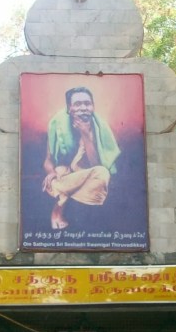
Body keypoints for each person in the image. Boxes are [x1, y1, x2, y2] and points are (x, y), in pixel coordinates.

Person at [42, 87, 121, 230]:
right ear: (69, 108)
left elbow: (97, 165)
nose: (83, 108)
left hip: (87, 174)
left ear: (93, 107)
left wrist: (85, 133)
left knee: (103, 174)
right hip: (66, 174)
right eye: (77, 104)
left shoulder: (99, 127)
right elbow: (48, 160)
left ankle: (61, 202)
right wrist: (51, 172)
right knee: (59, 171)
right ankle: (68, 197)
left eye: (87, 103)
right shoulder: (57, 123)